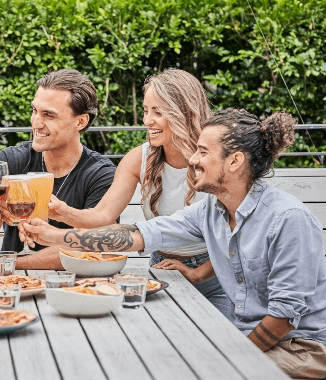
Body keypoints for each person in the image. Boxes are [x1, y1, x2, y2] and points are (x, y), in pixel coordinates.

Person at [26, 109, 326, 379]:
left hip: (299, 350)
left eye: (203, 152)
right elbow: (137, 234)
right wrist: (54, 236)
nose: (193, 160)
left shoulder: (287, 219)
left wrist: (233, 358)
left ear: (235, 161)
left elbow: (284, 317)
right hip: (245, 336)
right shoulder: (211, 211)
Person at [26, 69, 231, 317]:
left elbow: (237, 238)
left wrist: (199, 273)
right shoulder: (138, 158)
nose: (147, 120)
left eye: (158, 112)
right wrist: (64, 212)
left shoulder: (217, 161)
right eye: (146, 111)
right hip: (162, 270)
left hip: (216, 275)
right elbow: (102, 216)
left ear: (183, 113)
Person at [0, 69, 116, 269]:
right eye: (34, 111)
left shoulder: (100, 174)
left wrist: (12, 263)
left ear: (81, 121)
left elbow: (92, 246)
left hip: (77, 288)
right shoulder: (10, 162)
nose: (36, 123)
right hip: (12, 287)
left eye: (48, 115)